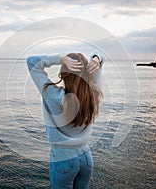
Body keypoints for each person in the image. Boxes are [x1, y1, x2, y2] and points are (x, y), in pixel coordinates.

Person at [26, 52, 104, 189]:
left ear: (63, 74)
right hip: (86, 157)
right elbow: (102, 59)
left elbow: (32, 62)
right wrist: (96, 59)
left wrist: (60, 59)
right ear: (87, 72)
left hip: (63, 159)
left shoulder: (53, 95)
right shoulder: (93, 94)